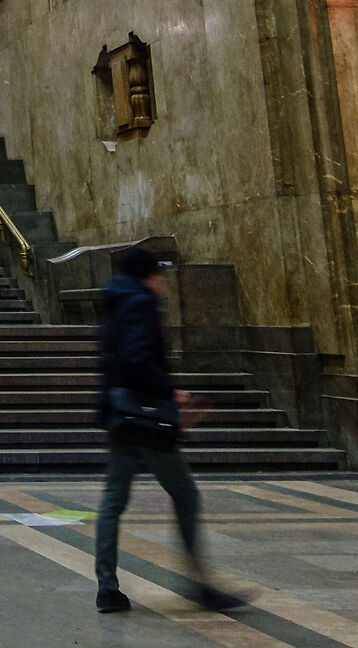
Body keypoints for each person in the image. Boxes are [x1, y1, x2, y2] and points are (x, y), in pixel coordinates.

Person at [92, 246, 242, 615]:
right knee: (186, 495)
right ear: (150, 276)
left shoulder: (114, 302)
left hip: (119, 415)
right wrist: (172, 391)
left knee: (113, 501)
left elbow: (114, 361)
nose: (164, 282)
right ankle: (201, 587)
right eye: (160, 275)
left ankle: (107, 589)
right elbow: (137, 360)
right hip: (146, 420)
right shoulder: (142, 303)